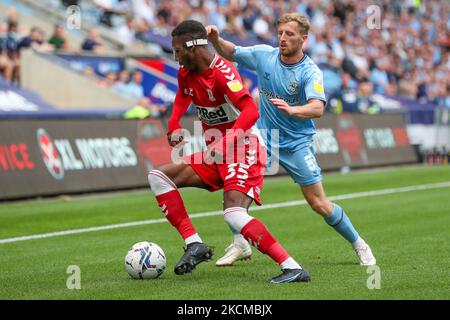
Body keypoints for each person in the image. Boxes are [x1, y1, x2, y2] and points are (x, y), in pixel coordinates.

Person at [206, 13, 376, 267]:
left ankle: (359, 244)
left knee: (318, 203)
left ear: (304, 39)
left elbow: (317, 108)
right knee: (235, 185)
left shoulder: (310, 72)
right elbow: (232, 52)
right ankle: (240, 244)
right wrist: (216, 39)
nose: (283, 39)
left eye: (290, 34)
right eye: (281, 33)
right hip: (263, 137)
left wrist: (293, 110)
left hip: (296, 142)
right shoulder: (265, 55)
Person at [147, 19, 310, 283]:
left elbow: (251, 110)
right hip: (218, 150)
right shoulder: (186, 73)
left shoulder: (223, 72)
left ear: (193, 47)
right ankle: (194, 244)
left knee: (234, 214)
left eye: (178, 50)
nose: (175, 57)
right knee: (158, 176)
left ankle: (292, 267)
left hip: (245, 146)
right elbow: (182, 96)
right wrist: (174, 123)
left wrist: (226, 141)